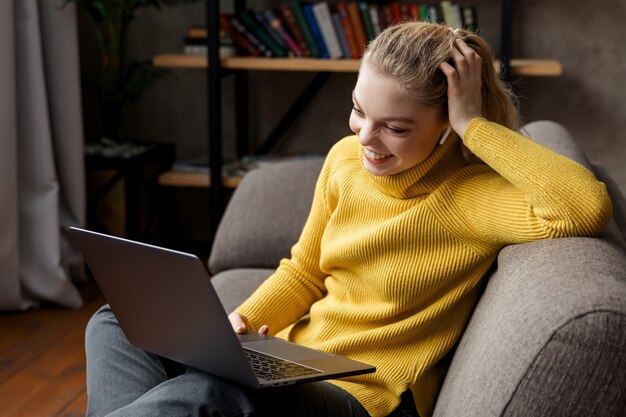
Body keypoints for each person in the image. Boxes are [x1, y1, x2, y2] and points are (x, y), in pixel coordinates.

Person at [85, 21, 612, 417]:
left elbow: (583, 206)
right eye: (360, 110)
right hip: (296, 359)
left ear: (445, 127)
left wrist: (475, 123)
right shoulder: (344, 160)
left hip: (364, 394)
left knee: (204, 394)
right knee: (116, 321)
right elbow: (304, 270)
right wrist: (238, 325)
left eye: (395, 128)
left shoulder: (472, 197)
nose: (365, 138)